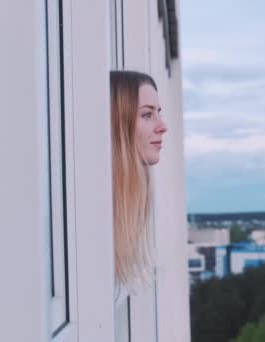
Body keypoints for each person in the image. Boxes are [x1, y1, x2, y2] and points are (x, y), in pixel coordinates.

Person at [110, 70, 167, 304]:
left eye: (158, 114)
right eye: (147, 115)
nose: (162, 126)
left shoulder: (119, 211)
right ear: (117, 124)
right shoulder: (87, 216)